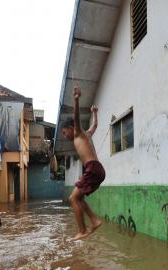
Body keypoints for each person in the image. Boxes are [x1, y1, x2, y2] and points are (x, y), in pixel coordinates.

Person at [61, 87, 105, 241]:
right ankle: (94, 220)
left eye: (64, 132)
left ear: (71, 128)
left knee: (72, 199)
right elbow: (95, 126)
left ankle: (82, 230)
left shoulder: (78, 133)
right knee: (79, 198)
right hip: (97, 169)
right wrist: (95, 113)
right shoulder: (87, 134)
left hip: (93, 168)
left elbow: (77, 117)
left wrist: (76, 99)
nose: (64, 135)